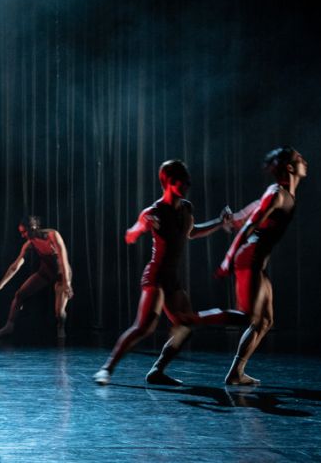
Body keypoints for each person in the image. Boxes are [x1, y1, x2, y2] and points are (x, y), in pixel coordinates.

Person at [93, 160, 239, 386]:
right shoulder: (154, 211)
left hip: (172, 279)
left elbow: (191, 232)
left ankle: (157, 371)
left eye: (187, 182)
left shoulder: (186, 208)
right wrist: (140, 228)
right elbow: (131, 234)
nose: (186, 186)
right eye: (181, 182)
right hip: (155, 276)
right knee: (144, 327)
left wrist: (219, 223)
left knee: (185, 326)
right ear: (168, 182)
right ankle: (106, 369)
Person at [217, 147, 308, 386]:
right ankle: (194, 320)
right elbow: (249, 226)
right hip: (249, 259)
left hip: (257, 262)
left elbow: (244, 218)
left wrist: (231, 219)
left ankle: (236, 373)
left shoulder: (282, 194)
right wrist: (228, 258)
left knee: (265, 321)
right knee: (251, 317)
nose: (304, 161)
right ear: (290, 167)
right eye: (299, 158)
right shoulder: (276, 193)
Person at [0, 216, 73, 339]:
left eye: (24, 232)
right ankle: (9, 326)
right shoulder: (29, 244)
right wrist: (0, 285)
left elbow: (63, 259)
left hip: (62, 274)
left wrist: (67, 283)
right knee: (19, 295)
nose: (22, 235)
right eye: (21, 232)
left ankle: (61, 326)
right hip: (46, 272)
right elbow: (15, 266)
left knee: (59, 313)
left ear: (32, 228)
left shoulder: (52, 235)